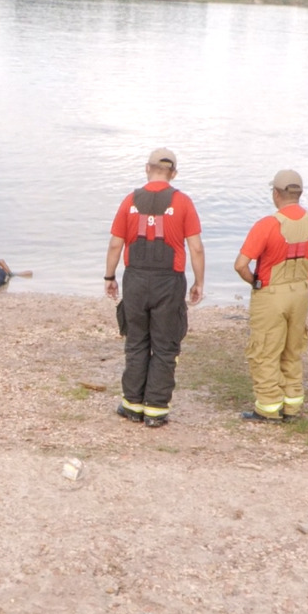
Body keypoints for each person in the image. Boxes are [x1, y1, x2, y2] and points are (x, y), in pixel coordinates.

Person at [104, 148, 205, 427]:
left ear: (147, 168)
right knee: (165, 345)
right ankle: (156, 411)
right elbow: (195, 248)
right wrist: (198, 282)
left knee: (136, 342)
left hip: (135, 280)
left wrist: (109, 277)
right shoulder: (183, 202)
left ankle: (132, 405)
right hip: (168, 282)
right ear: (173, 173)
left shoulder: (129, 200)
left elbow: (115, 243)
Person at [233, 169, 308, 422]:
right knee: (292, 350)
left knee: (264, 350)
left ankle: (268, 407)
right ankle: (292, 404)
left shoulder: (267, 224)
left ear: (276, 193)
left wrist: (256, 283)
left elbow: (241, 265)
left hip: (272, 293)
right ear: (299, 193)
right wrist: (304, 287)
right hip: (300, 291)